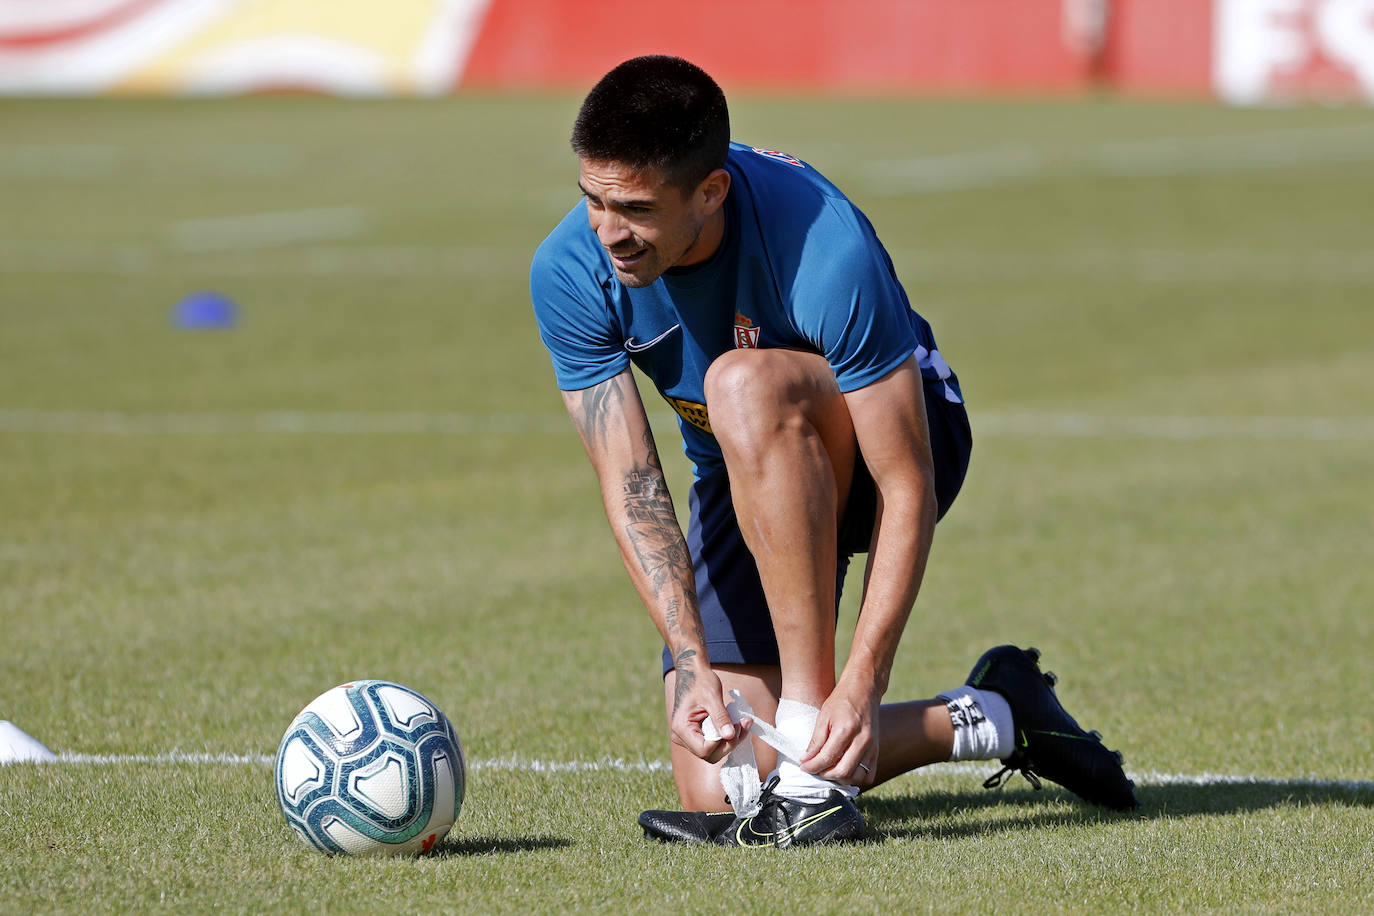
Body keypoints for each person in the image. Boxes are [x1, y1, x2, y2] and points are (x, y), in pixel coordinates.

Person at [529, 55, 1137, 847]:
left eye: (637, 209)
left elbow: (907, 482)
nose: (608, 232)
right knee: (721, 786)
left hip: (902, 444)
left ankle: (812, 774)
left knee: (741, 384)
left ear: (710, 192)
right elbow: (633, 484)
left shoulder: (821, 243)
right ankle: (996, 714)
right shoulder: (569, 269)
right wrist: (691, 664)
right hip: (742, 470)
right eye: (594, 199)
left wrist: (863, 679)